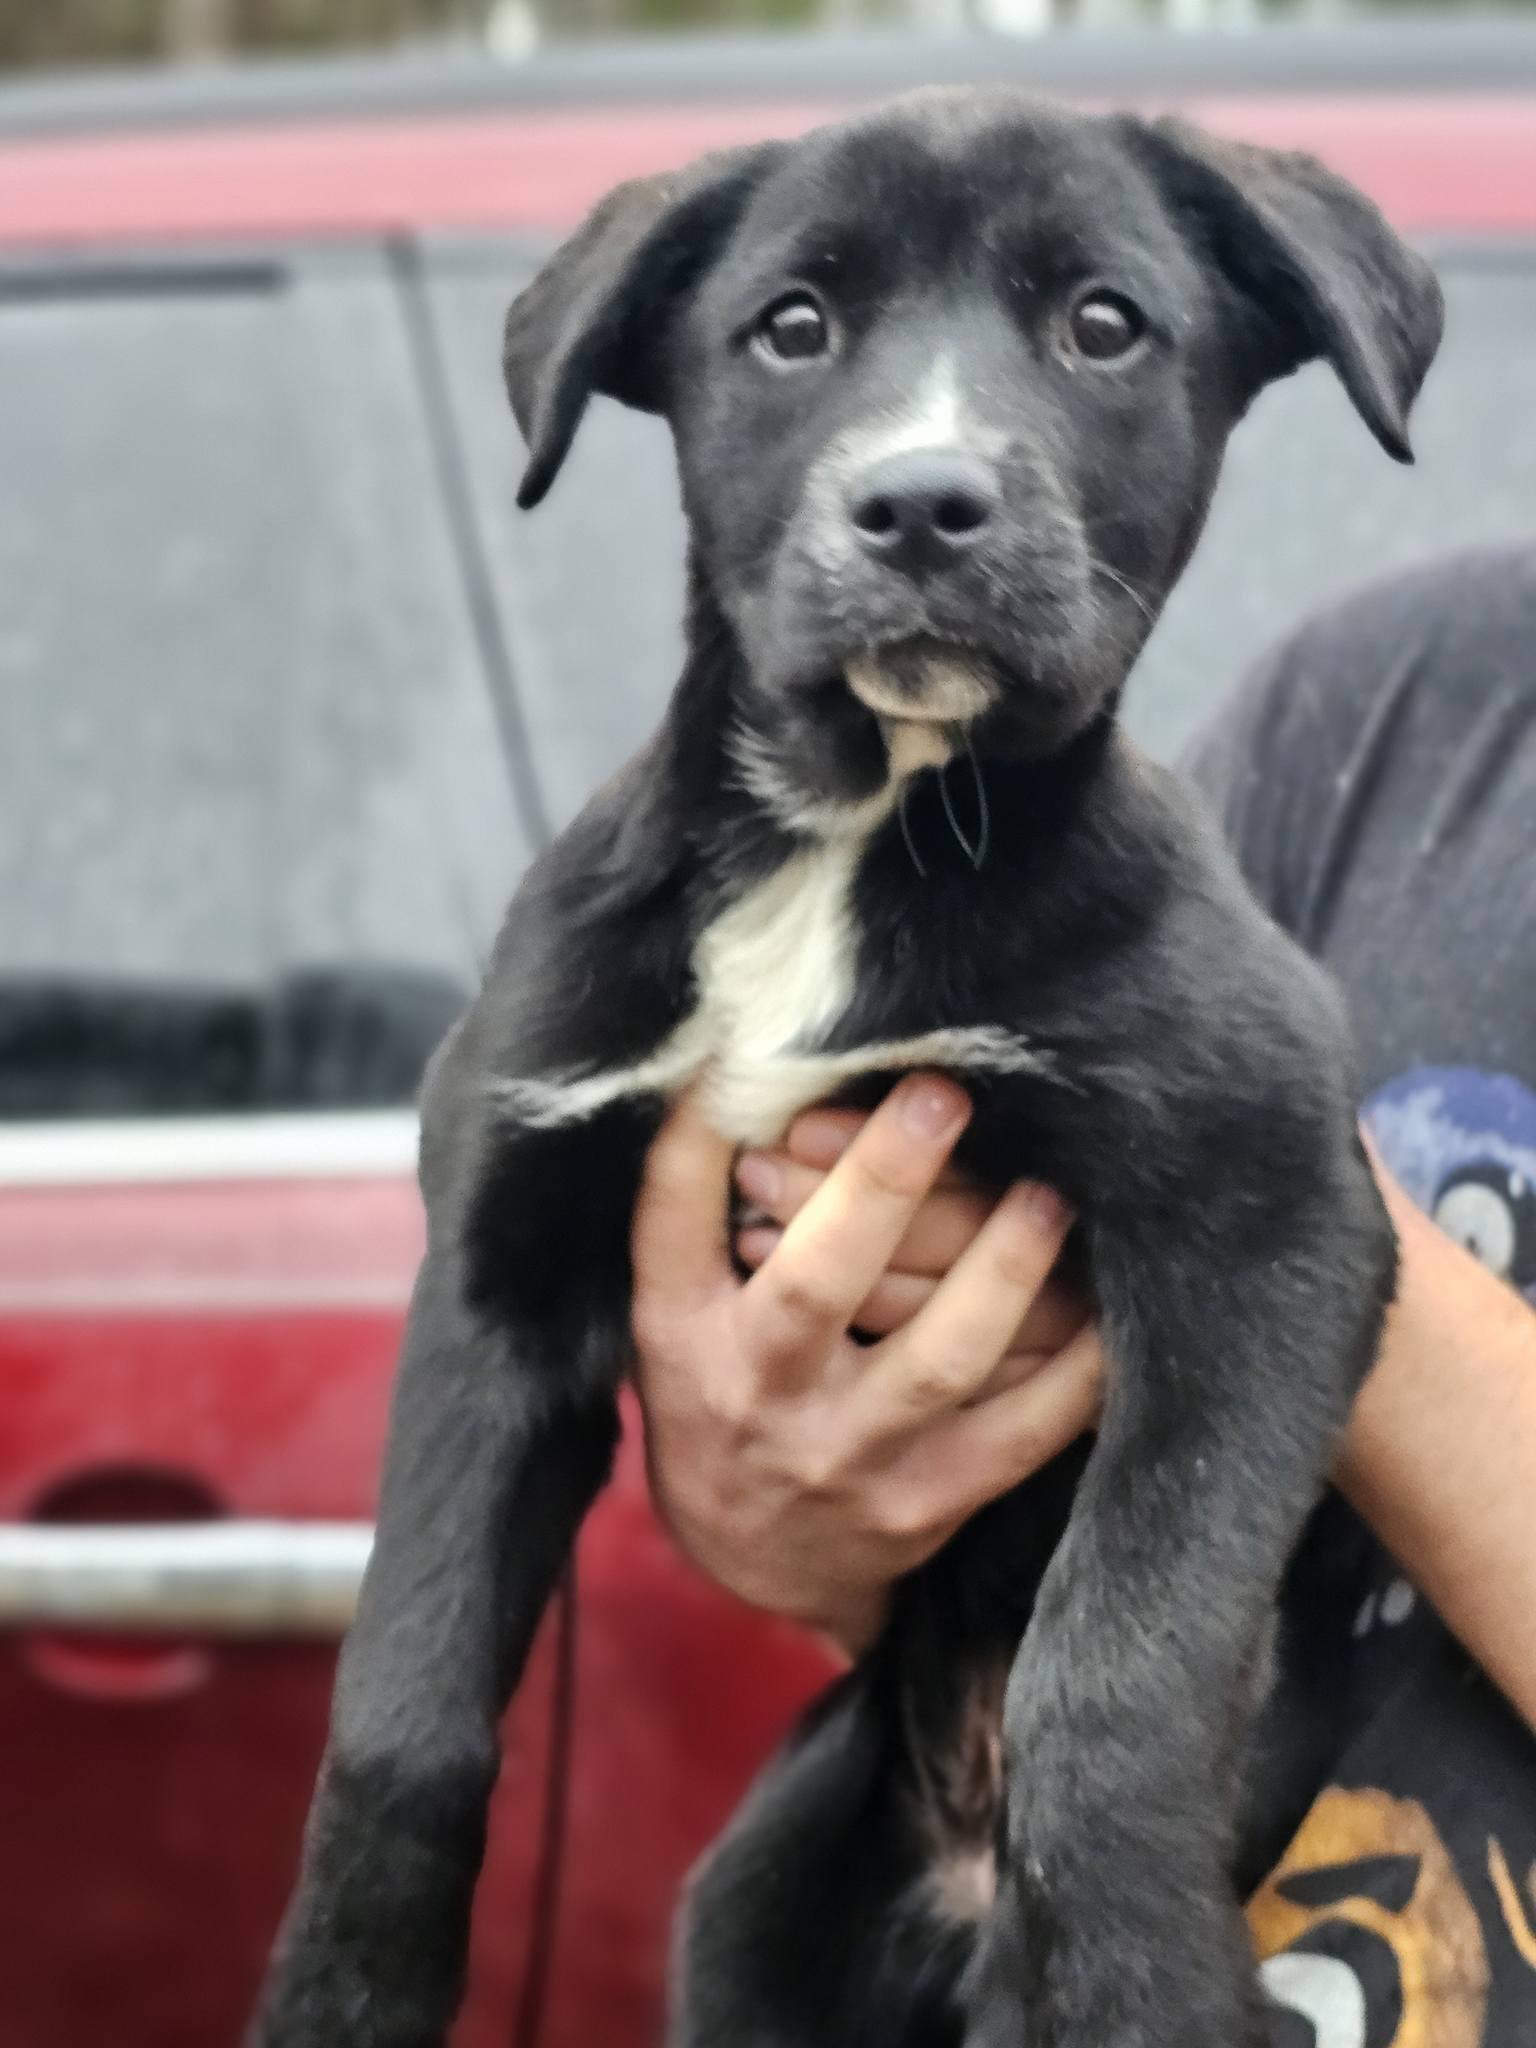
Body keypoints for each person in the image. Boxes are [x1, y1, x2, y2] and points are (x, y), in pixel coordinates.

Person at [630, 547, 1536, 2045]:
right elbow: (1114, 1516)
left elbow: (1202, 1146)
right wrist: (827, 1488)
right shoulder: (1402, 700)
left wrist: (1259, 1205)